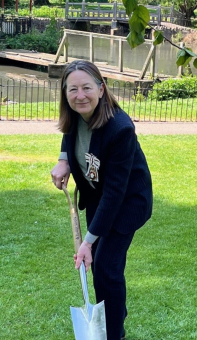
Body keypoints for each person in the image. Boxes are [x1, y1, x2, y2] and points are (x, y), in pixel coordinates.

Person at [51, 60, 153, 340]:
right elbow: (69, 133)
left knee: (107, 267)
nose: (80, 95)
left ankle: (114, 333)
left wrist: (86, 242)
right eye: (73, 89)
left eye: (86, 88)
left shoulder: (120, 129)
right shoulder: (75, 114)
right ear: (65, 93)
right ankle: (107, 321)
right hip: (98, 195)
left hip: (127, 201)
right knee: (98, 266)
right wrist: (64, 160)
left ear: (101, 89)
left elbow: (115, 194)